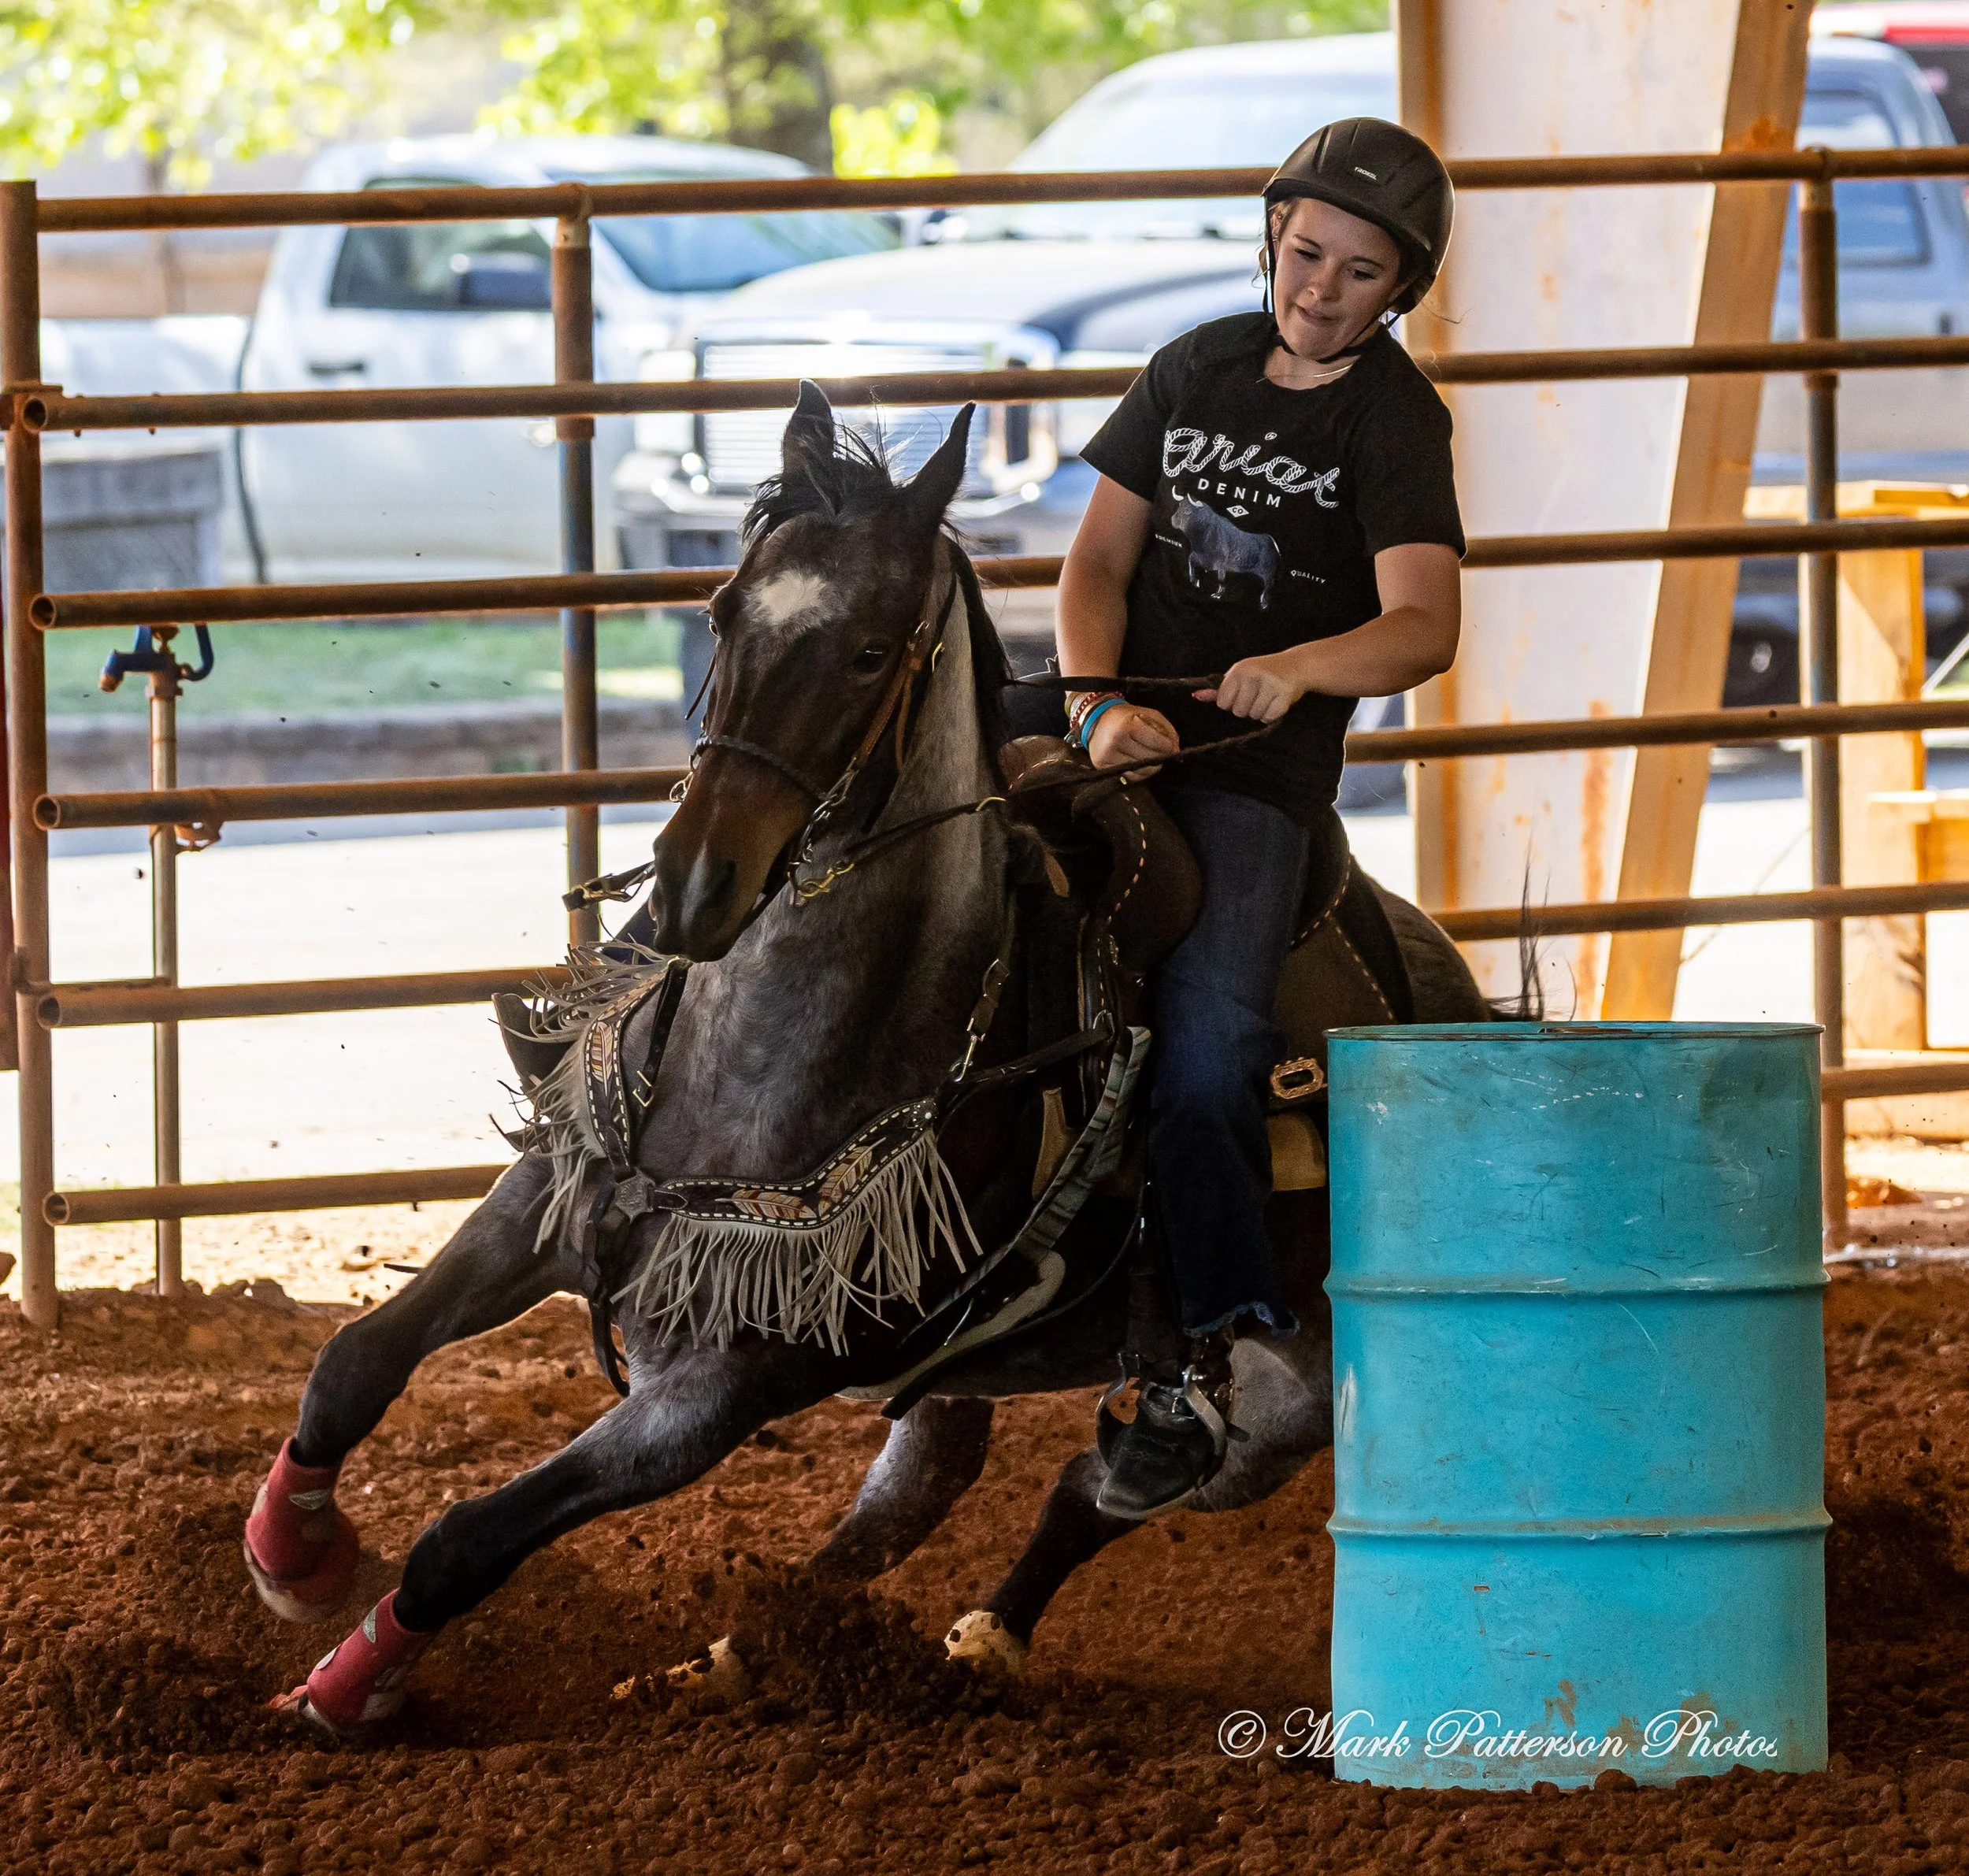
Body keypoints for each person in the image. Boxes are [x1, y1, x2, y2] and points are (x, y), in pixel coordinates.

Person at [1056, 118, 1467, 1520]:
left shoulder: (1395, 421)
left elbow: (1422, 624)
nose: (1323, 288)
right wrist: (1098, 706)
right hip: (1121, 734)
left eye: (1362, 273)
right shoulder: (1196, 365)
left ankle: (1202, 1357)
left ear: (1397, 293)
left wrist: (1298, 669)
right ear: (1272, 236)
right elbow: (1096, 561)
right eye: (1308, 254)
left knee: (1215, 1041)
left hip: (1249, 779)